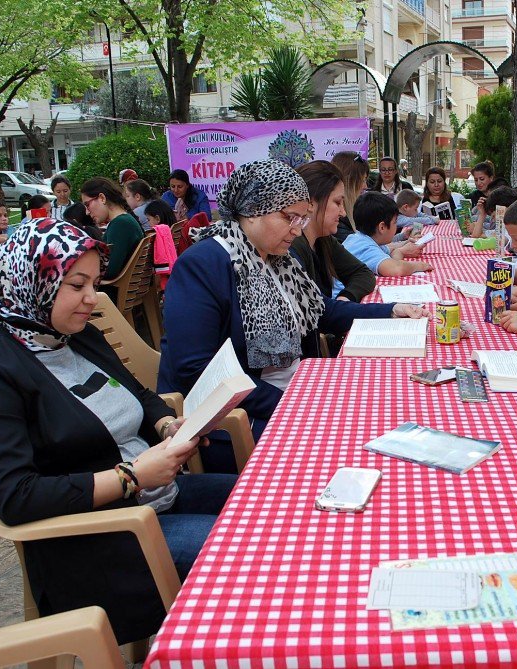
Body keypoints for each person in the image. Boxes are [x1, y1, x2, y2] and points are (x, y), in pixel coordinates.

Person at [0, 219, 237, 644]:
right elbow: (15, 496)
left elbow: (139, 394)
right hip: (99, 540)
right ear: (34, 282)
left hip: (155, 499)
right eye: (76, 285)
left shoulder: (75, 336)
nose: (93, 298)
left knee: (271, 498)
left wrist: (166, 424)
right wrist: (131, 476)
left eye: (95, 282)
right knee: (256, 552)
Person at [158, 160, 426, 471]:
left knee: (380, 406)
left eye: (302, 218)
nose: (298, 229)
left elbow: (320, 309)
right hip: (231, 423)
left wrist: (391, 311)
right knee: (353, 444)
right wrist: (294, 403)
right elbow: (198, 369)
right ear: (252, 209)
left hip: (286, 395)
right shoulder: (205, 264)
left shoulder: (276, 258)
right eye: (289, 218)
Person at [291, 161, 376, 303]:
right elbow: (319, 310)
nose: (342, 212)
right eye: (337, 202)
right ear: (311, 203)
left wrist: (346, 298)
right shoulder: (294, 245)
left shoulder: (324, 239)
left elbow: (362, 273)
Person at [339, 192, 433, 292]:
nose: (396, 226)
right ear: (382, 227)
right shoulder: (365, 248)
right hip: (345, 298)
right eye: (395, 222)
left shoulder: (359, 238)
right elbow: (396, 269)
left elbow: (391, 248)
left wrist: (404, 244)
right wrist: (419, 265)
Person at [80, 177, 145, 279]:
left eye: (87, 205)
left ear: (102, 198)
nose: (87, 212)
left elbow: (109, 271)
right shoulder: (125, 220)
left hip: (113, 291)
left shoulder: (120, 225)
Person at [330, 151, 370, 242]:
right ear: (349, 182)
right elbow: (359, 249)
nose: (365, 186)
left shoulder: (353, 212)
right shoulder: (337, 220)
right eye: (363, 180)